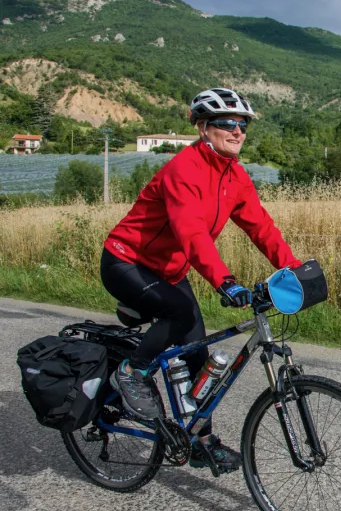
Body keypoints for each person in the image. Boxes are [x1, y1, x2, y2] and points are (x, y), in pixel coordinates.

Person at [100, 88, 302, 473]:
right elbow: (192, 234)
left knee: (197, 355)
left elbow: (261, 228)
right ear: (203, 127)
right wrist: (226, 282)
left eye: (242, 125)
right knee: (177, 313)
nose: (237, 131)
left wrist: (292, 268)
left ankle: (200, 440)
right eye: (227, 123)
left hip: (170, 272)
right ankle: (131, 373)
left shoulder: (235, 176)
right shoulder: (183, 170)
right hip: (127, 263)